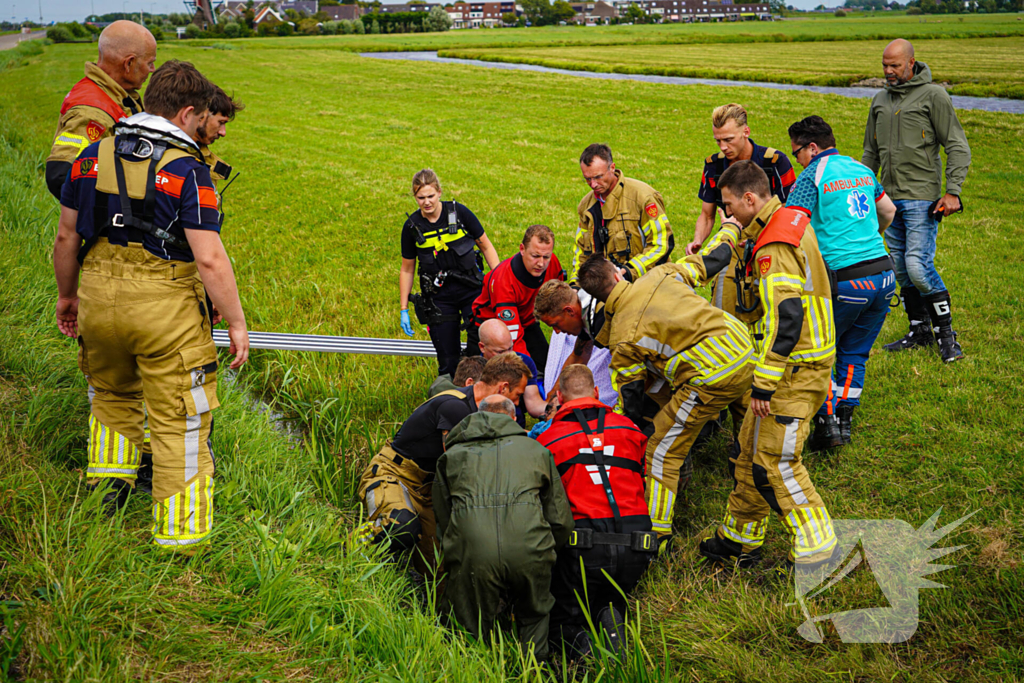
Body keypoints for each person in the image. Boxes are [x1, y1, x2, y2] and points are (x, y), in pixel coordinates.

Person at [52, 60, 249, 550]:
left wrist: (68, 296)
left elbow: (65, 236)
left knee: (111, 396)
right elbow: (209, 259)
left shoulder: (91, 156)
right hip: (165, 311)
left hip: (97, 301)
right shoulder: (188, 170)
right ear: (185, 113)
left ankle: (107, 495)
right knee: (179, 419)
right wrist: (238, 321)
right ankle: (181, 539)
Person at [694, 161, 838, 570]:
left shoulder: (773, 244)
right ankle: (739, 540)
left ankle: (820, 549)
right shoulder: (791, 219)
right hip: (795, 365)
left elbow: (787, 317)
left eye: (729, 206)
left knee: (776, 463)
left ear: (750, 199)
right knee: (748, 456)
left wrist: (764, 383)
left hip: (794, 372)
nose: (726, 214)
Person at [576, 256, 754, 541]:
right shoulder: (660, 273)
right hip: (744, 349)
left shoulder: (622, 337)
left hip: (709, 377)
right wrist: (731, 227)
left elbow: (631, 401)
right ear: (619, 275)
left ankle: (655, 535)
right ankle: (747, 467)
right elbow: (712, 259)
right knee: (750, 426)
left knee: (661, 452)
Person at [356, 353, 531, 572]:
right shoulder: (455, 407)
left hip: (427, 487)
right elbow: (458, 467)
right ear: (502, 388)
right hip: (395, 475)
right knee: (402, 527)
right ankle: (349, 546)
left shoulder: (477, 410)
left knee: (439, 564)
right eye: (517, 395)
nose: (517, 403)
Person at [786, 116, 897, 450]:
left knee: (817, 351)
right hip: (884, 275)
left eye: (797, 153)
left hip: (845, 281)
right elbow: (888, 211)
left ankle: (827, 424)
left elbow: (793, 225)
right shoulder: (861, 170)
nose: (797, 160)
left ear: (813, 147)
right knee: (855, 353)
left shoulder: (812, 176)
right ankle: (846, 423)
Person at [435, 394, 573, 661]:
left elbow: (444, 517)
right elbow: (559, 519)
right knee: (535, 613)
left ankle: (474, 671)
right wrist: (546, 552)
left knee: (469, 626)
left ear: (477, 415)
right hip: (530, 547)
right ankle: (533, 670)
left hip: (472, 550)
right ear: (513, 418)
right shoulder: (538, 451)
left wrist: (454, 555)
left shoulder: (450, 456)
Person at [863, 39, 971, 363]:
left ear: (912, 63)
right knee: (899, 269)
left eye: (895, 65)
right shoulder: (879, 100)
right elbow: (870, 152)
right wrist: (863, 191)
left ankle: (947, 338)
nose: (888, 71)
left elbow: (957, 145)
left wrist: (953, 191)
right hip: (887, 199)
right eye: (885, 65)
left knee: (918, 267)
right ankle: (919, 330)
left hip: (922, 197)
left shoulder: (934, 95)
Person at [536, 365, 655, 658]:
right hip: (637, 543)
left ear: (559, 397)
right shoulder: (631, 429)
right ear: (598, 392)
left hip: (583, 548)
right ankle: (614, 626)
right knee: (612, 598)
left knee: (566, 619)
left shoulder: (547, 441)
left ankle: (584, 658)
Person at [399, 169, 501, 377]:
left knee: (479, 352)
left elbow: (486, 247)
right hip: (439, 298)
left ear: (439, 192)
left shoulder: (460, 213)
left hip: (472, 290)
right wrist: (403, 309)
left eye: (430, 196)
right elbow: (407, 268)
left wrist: (497, 281)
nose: (426, 202)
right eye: (421, 198)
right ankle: (450, 399)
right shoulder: (412, 227)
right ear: (414, 197)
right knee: (447, 360)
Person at [46, 20, 156, 200]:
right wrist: (110, 213)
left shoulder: (118, 94)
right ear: (128, 64)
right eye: (150, 63)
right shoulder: (92, 111)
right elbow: (61, 175)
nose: (152, 70)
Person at [688, 103, 796, 256]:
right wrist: (697, 240)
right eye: (718, 141)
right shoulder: (713, 165)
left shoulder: (775, 162)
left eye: (728, 139)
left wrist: (760, 238)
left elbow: (788, 212)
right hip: (731, 241)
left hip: (771, 243)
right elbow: (707, 215)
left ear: (746, 132)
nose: (723, 147)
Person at [572, 143, 673, 285]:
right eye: (588, 179)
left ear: (612, 168)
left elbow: (662, 245)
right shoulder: (586, 206)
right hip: (603, 287)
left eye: (598, 177)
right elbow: (581, 252)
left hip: (646, 283)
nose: (593, 184)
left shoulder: (643, 197)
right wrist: (575, 285)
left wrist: (628, 271)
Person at [472, 224, 564, 372]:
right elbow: (513, 337)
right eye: (535, 256)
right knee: (500, 374)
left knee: (548, 368)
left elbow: (559, 299)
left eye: (546, 256)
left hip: (527, 322)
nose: (541, 263)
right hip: (493, 328)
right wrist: (529, 375)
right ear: (522, 249)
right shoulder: (504, 280)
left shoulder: (552, 262)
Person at [534, 280, 617, 408]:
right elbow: (579, 356)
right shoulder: (584, 309)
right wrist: (552, 396)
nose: (556, 332)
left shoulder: (603, 319)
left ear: (569, 311)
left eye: (556, 324)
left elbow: (635, 370)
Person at [478, 319, 547, 425]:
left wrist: (557, 410)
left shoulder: (525, 362)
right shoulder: (474, 368)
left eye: (510, 348)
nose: (508, 355)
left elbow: (534, 404)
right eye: (500, 352)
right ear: (482, 347)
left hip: (516, 427)